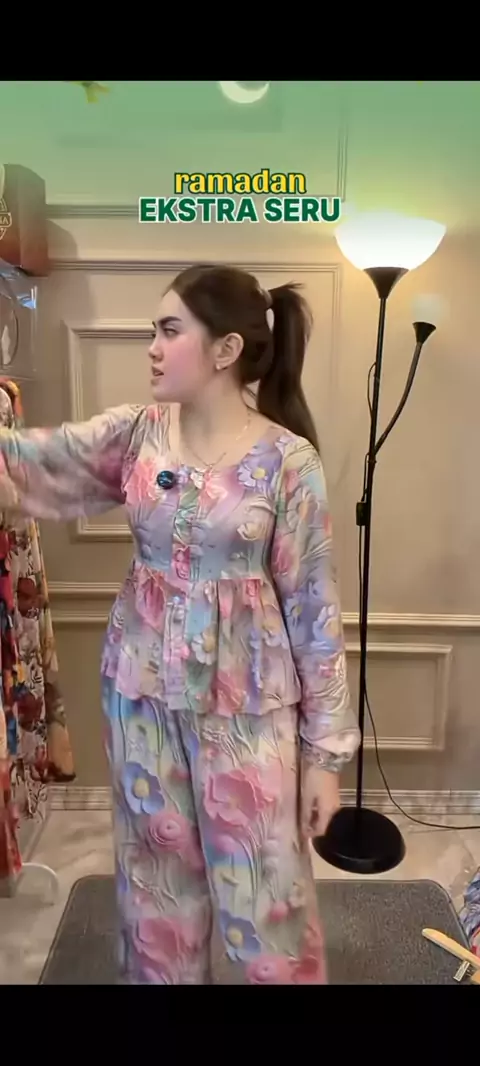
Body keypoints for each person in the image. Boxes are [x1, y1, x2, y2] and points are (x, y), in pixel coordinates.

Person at [0, 263, 360, 984]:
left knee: (266, 897)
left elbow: (314, 610)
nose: (153, 348)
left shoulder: (288, 462)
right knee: (155, 895)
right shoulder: (137, 435)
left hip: (249, 707)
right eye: (152, 331)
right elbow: (28, 462)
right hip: (140, 694)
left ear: (226, 349)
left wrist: (324, 759)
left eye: (170, 331)